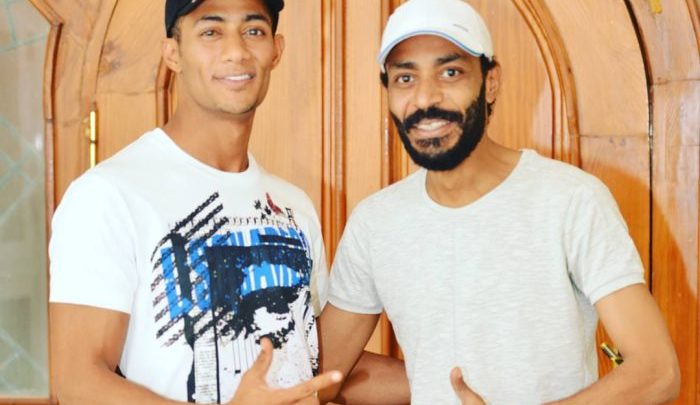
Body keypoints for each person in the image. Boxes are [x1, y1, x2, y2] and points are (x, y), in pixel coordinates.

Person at [319, 0, 680, 404]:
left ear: (490, 82)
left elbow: (657, 372)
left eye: (450, 72)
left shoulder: (570, 199)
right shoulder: (376, 222)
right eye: (405, 78)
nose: (425, 98)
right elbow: (320, 376)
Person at [49, 1, 345, 403]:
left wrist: (431, 374)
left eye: (253, 30)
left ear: (276, 50)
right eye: (211, 32)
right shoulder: (109, 195)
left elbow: (314, 362)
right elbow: (78, 382)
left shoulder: (294, 207)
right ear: (173, 53)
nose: (236, 51)